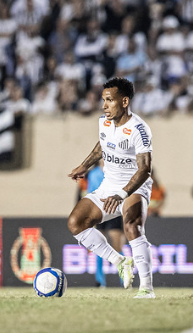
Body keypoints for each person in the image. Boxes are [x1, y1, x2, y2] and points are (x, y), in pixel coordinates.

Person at [67, 77, 155, 299]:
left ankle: (146, 288)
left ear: (124, 101)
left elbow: (145, 170)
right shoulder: (104, 122)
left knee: (132, 226)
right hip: (109, 186)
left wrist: (123, 194)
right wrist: (84, 166)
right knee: (76, 223)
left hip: (134, 187)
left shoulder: (139, 129)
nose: (104, 105)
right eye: (103, 100)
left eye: (109, 100)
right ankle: (120, 261)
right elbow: (102, 146)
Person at [87, 160, 126, 287]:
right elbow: (90, 194)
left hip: (114, 211)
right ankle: (100, 281)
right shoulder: (93, 174)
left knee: (117, 245)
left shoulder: (115, 171)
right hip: (99, 212)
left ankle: (124, 278)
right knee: (99, 246)